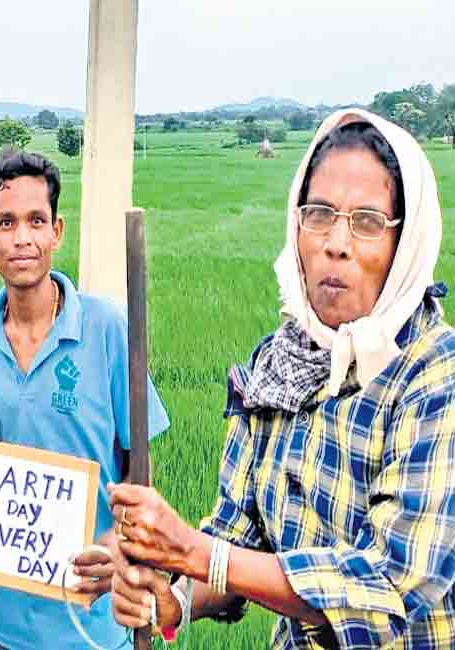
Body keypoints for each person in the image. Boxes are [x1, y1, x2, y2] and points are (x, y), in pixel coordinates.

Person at [105, 109, 455, 649]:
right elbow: (236, 536)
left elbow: (390, 589)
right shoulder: (278, 365)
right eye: (319, 214)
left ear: (404, 243)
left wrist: (196, 554)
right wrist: (172, 598)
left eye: (366, 221)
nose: (336, 242)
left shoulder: (434, 378)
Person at [0, 151, 170, 650]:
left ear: (57, 231)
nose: (22, 238)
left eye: (36, 221)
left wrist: (120, 545)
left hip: (93, 618)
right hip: (7, 620)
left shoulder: (106, 328)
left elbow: (140, 469)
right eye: (6, 222)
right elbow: (2, 449)